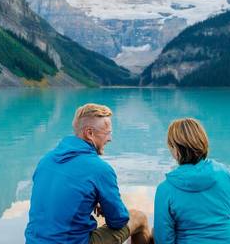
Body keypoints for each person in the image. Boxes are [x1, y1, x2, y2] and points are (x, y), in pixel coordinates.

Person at [25, 103, 152, 244]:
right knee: (139, 217)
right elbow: (118, 220)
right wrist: (104, 205)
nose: (110, 138)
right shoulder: (100, 169)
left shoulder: (46, 160)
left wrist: (94, 199)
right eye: (108, 133)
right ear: (90, 133)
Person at [153, 118, 230, 244]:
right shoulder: (226, 174)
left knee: (154, 232)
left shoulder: (165, 189)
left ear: (175, 149)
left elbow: (164, 239)